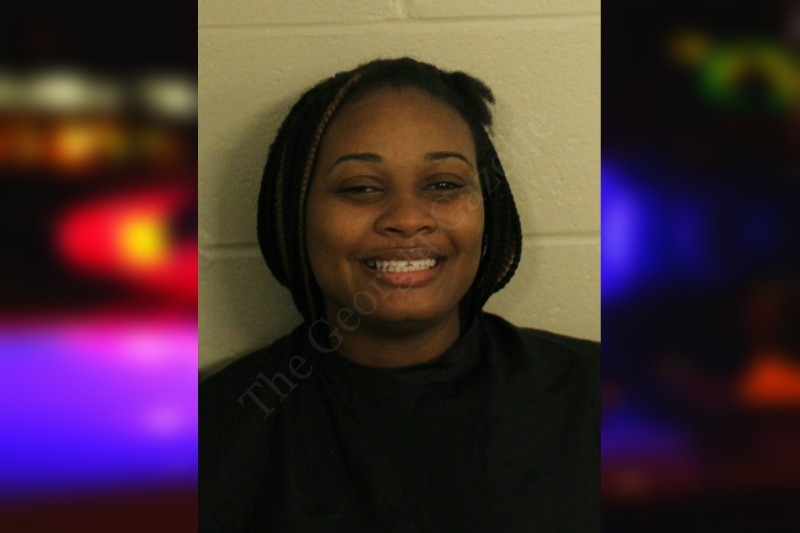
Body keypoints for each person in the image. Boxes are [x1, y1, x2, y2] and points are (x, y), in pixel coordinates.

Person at [199, 57, 599, 532]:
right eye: (361, 188)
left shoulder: (603, 400)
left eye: (444, 185)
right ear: (294, 212)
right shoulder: (208, 434)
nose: (408, 219)